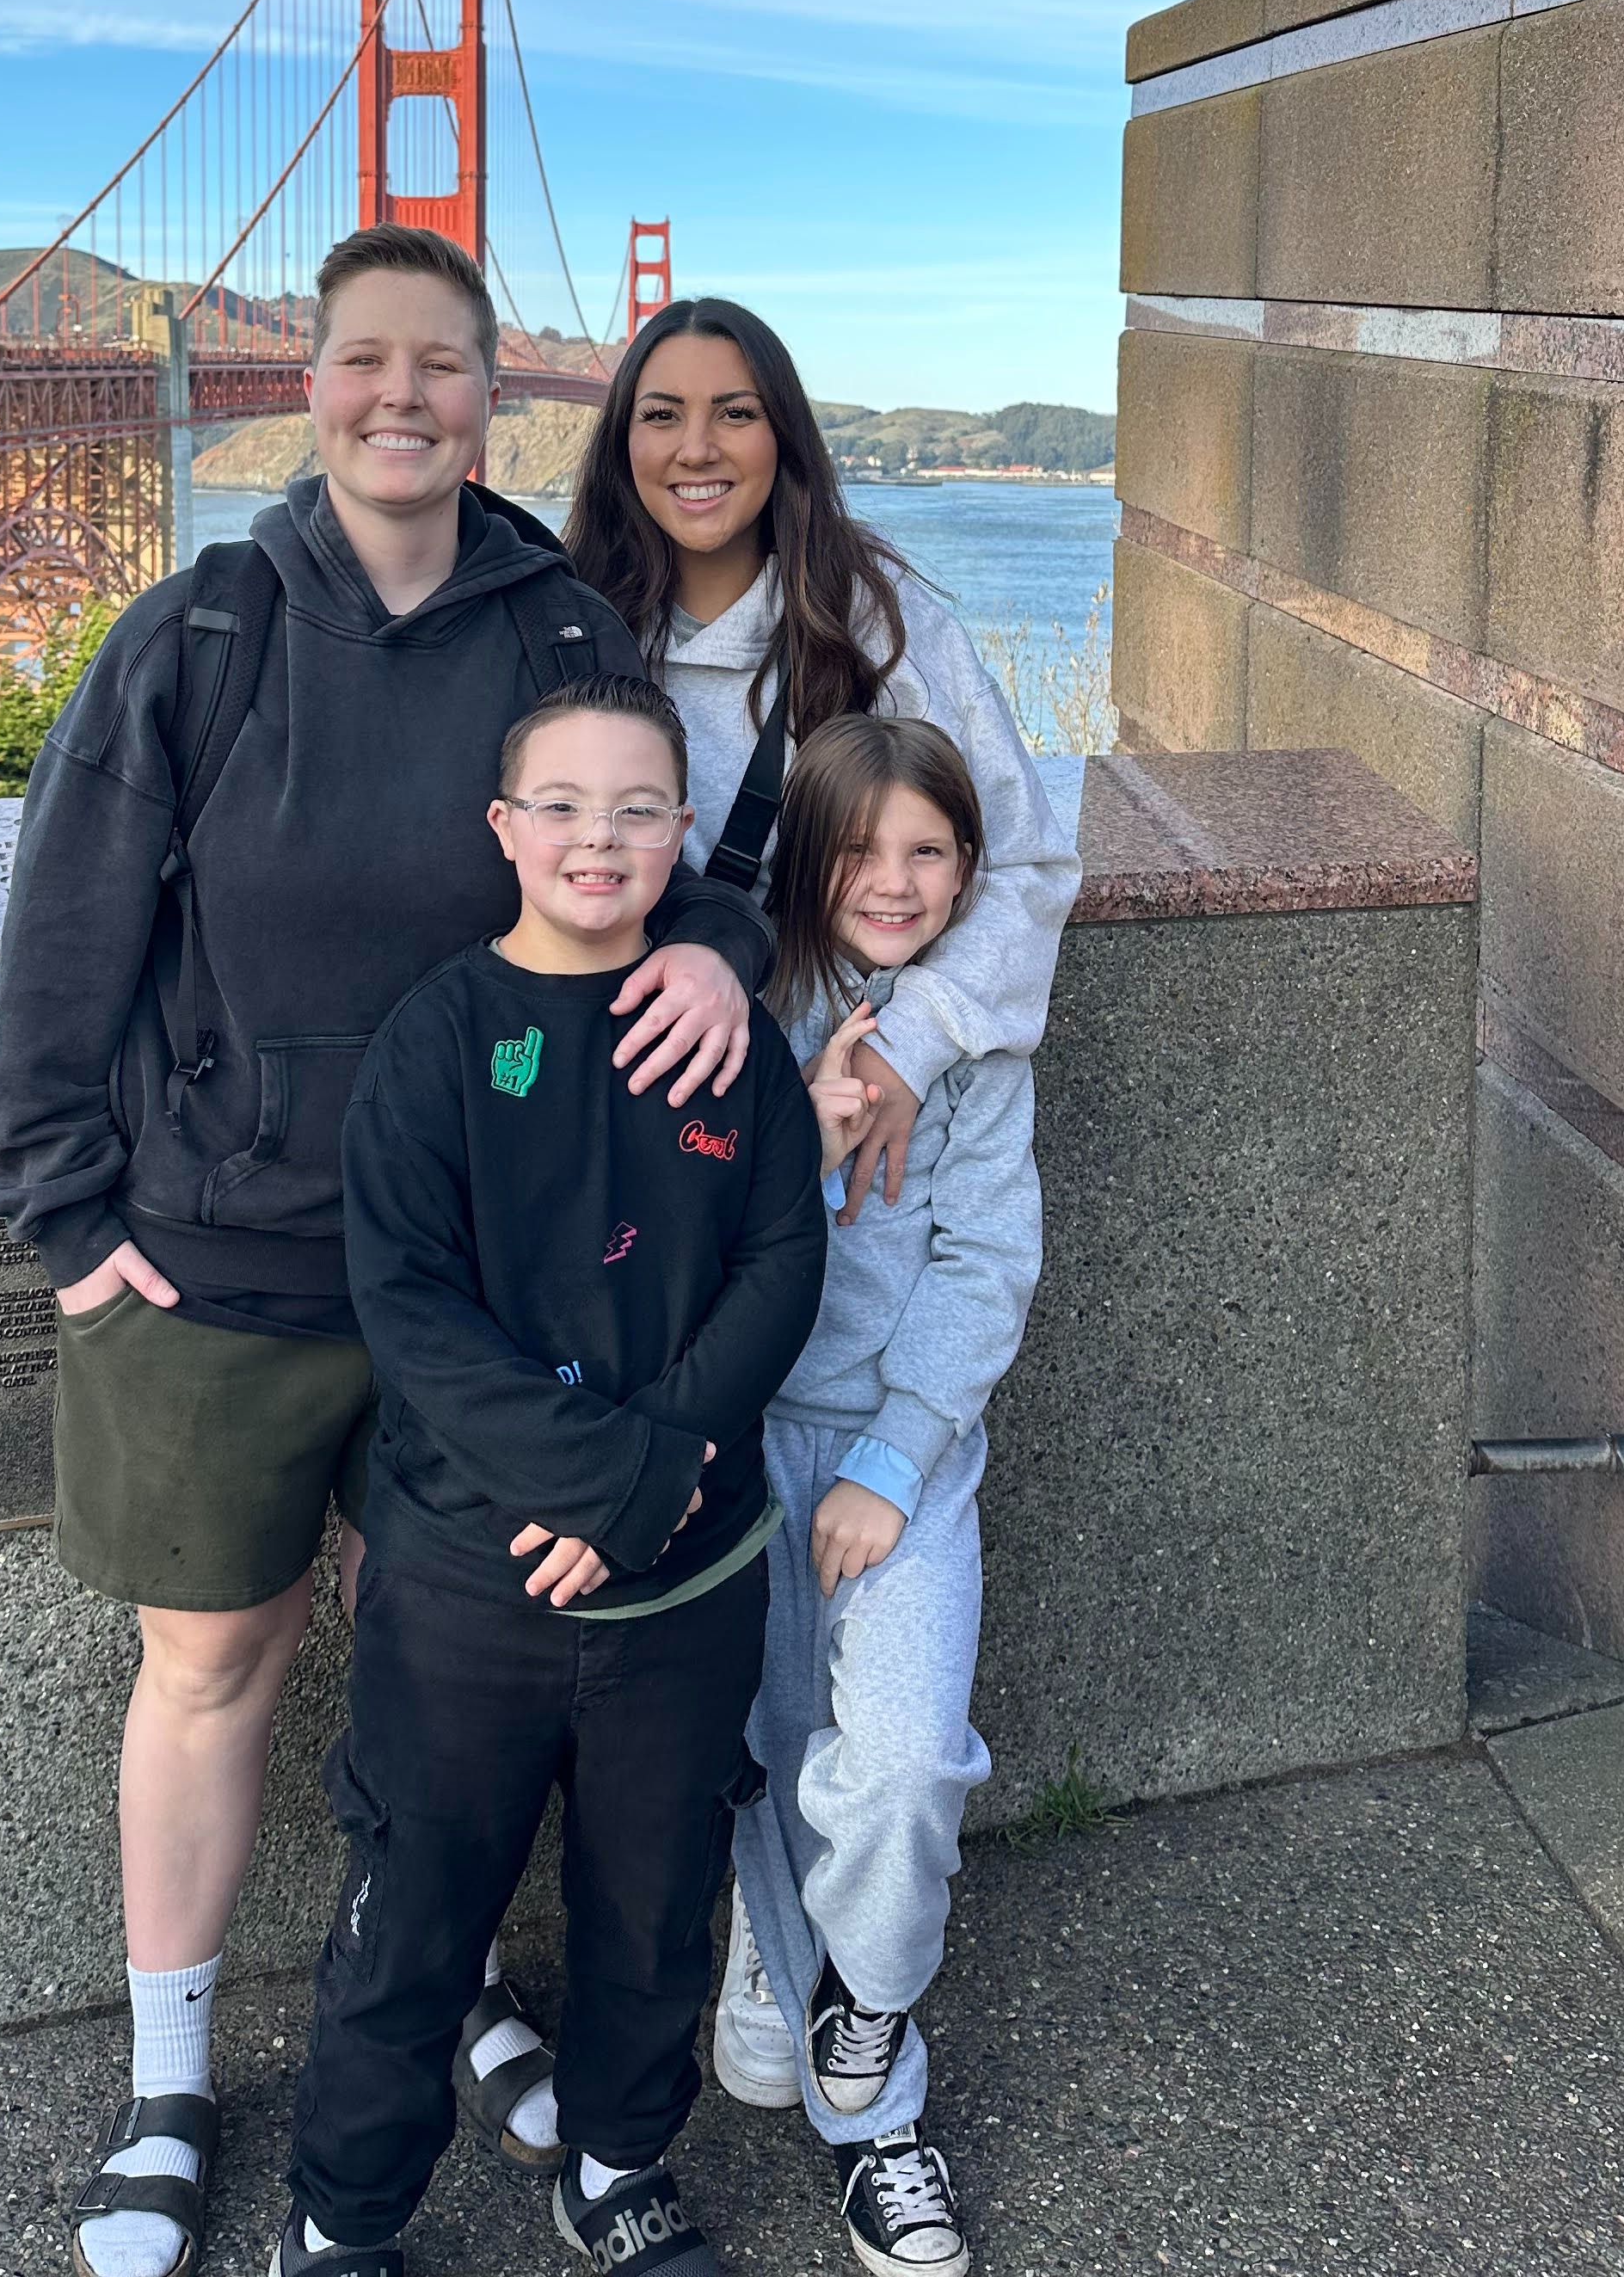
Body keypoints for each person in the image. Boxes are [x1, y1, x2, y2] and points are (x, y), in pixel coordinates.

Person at [0, 227, 774, 2277]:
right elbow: (67, 925)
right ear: (308, 381)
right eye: (362, 359)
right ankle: (171, 2083)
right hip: (226, 1260)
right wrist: (68, 1219)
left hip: (501, 1279)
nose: (400, 397)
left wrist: (718, 942)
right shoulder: (201, 631)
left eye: (440, 363)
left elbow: (652, 839)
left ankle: (445, 1986)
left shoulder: (563, 627)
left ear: (495, 393)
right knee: (213, 1662)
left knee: (455, 1667)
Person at [277, 673, 827, 2277]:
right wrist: (606, 1487)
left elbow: (781, 1265)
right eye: (565, 807)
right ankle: (343, 2215)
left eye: (639, 808)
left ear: (682, 834)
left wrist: (647, 1486)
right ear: (504, 830)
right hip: (471, 1577)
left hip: (687, 1580)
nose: (600, 837)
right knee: (412, 1910)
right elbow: (411, 1311)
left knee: (654, 1904)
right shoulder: (440, 1040)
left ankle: (618, 2163)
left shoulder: (726, 1039)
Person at [707, 715, 1043, 2277]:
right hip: (740, 1441)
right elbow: (672, 1238)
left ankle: (865, 1997)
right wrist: (801, 1128)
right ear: (804, 863)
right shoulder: (736, 1014)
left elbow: (987, 1264)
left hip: (902, 1459)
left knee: (902, 1763)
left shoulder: (975, 1043)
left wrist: (896, 1462)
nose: (895, 881)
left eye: (930, 851)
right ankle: (848, 2083)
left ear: (969, 868)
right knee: (767, 1757)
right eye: (859, 848)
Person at [563, 292, 1078, 1228]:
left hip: (841, 1134)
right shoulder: (566, 632)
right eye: (662, 415)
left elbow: (1027, 865)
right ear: (621, 443)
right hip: (624, 1130)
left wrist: (905, 1048)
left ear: (785, 437)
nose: (697, 449)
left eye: (736, 412)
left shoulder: (883, 627)